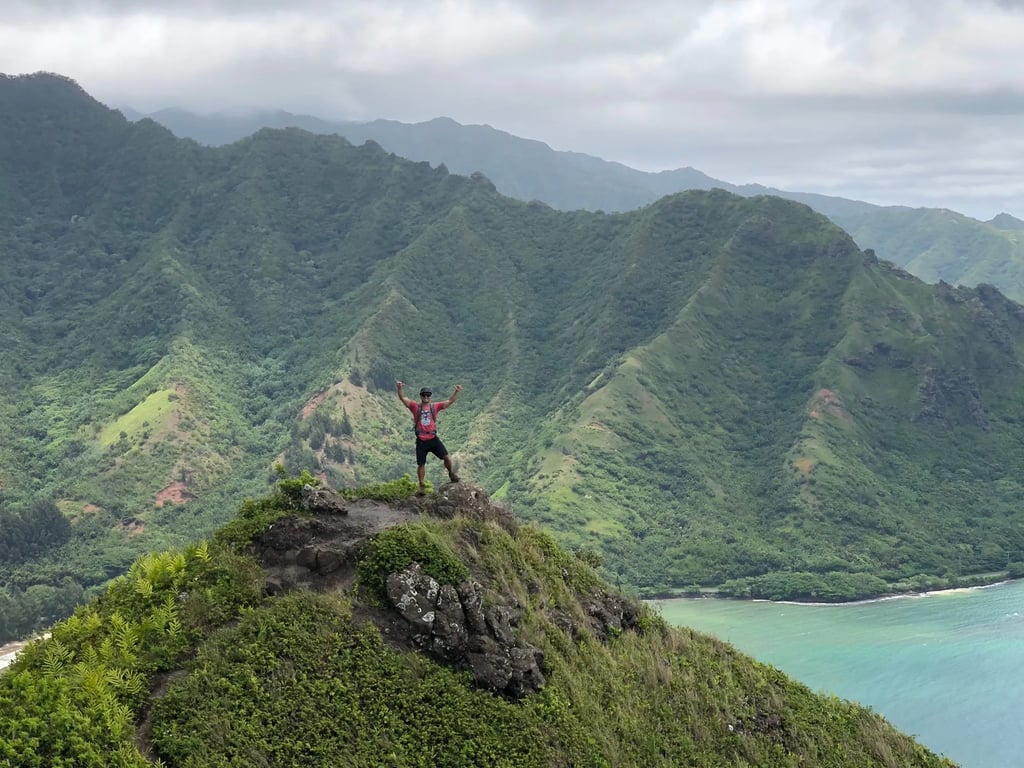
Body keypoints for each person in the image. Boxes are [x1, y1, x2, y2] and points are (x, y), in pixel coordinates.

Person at [396, 381, 462, 494]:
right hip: (421, 440)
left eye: (428, 395)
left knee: (447, 457)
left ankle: (451, 474)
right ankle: (421, 485)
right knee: (421, 464)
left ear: (430, 396)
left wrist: (456, 391)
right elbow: (403, 398)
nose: (426, 397)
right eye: (424, 395)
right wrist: (399, 388)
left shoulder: (434, 407)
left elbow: (449, 401)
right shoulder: (415, 407)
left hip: (433, 438)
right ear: (421, 396)